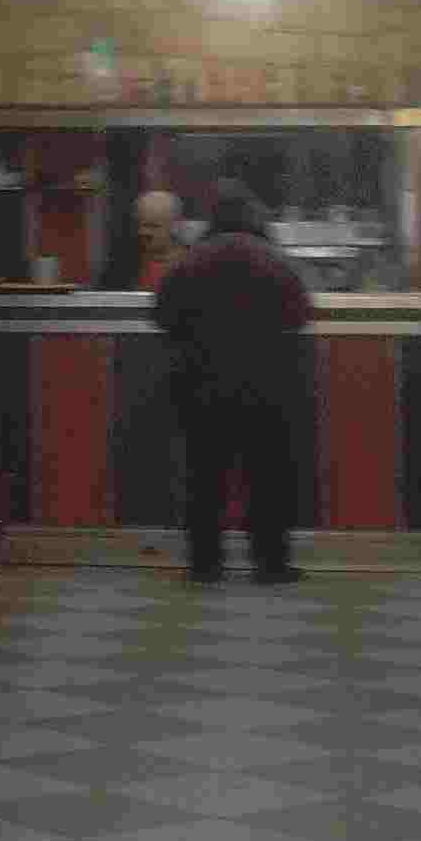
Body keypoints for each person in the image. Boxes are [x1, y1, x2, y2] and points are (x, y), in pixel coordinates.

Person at [151, 184, 314, 585]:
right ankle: (271, 564)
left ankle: (205, 564)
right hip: (268, 387)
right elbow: (301, 314)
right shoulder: (275, 260)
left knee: (204, 477)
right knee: (269, 477)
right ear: (255, 219)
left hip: (201, 385)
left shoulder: (191, 260)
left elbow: (162, 314)